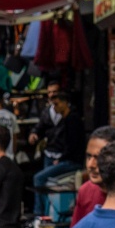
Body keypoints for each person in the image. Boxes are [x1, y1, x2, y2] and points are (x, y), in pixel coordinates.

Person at [31, 89, 85, 218]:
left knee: (38, 178)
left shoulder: (72, 120)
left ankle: (39, 213)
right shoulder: (67, 119)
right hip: (61, 157)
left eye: (57, 104)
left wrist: (61, 159)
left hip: (71, 161)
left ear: (65, 103)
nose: (55, 108)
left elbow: (73, 145)